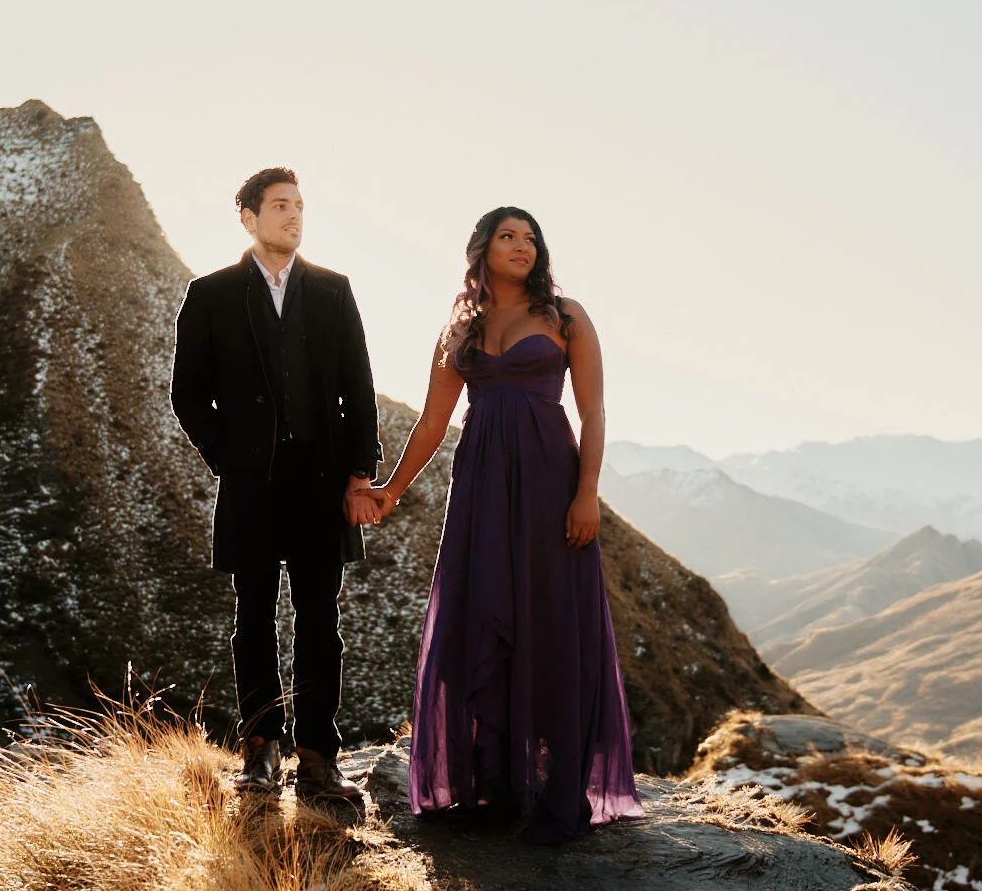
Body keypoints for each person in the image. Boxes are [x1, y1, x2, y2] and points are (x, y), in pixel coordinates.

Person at [365, 207, 641, 842]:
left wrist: (588, 492)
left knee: (549, 621)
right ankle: (490, 784)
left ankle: (554, 787)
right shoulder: (459, 326)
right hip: (482, 488)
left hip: (551, 485)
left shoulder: (565, 315)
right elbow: (433, 424)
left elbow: (594, 411)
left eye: (530, 238)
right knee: (481, 610)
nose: (522, 246)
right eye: (507, 237)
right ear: (482, 249)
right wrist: (390, 490)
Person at [170, 167, 382, 800]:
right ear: (249, 217)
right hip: (252, 487)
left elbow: (359, 388)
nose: (293, 216)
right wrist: (228, 461)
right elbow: (188, 394)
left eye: (299, 206)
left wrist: (359, 474)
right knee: (253, 619)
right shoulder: (210, 295)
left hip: (321, 485)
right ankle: (260, 752)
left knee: (321, 622)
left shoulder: (333, 291)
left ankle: (319, 756)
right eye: (280, 206)